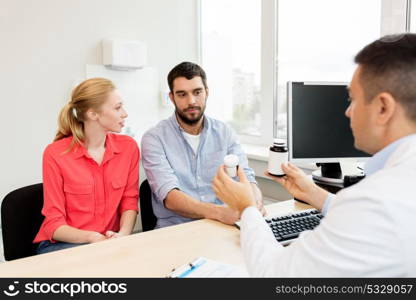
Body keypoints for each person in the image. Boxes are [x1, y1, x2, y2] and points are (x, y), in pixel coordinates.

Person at [212, 33, 416, 276]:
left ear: (383, 108)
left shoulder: (376, 200)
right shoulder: (398, 184)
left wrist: (246, 208)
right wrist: (316, 195)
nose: (348, 112)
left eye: (352, 99)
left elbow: (275, 277)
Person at [141, 62, 264, 228]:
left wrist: (254, 202)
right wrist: (220, 213)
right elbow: (170, 197)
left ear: (206, 92)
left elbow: (246, 176)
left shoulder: (225, 132)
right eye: (182, 94)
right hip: (177, 230)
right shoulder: (154, 138)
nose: (191, 101)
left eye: (197, 92)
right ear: (172, 98)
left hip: (223, 226)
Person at [34, 78, 139, 254]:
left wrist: (123, 234)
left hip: (108, 242)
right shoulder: (55, 154)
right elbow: (54, 225)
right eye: (117, 107)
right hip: (62, 246)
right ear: (93, 114)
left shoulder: (128, 147)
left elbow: (129, 200)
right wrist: (92, 238)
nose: (125, 113)